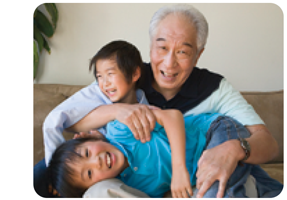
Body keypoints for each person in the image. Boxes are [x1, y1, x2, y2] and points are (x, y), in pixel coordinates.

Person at [34, 4, 282, 198]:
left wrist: (234, 149)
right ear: (150, 46)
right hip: (152, 175)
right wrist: (118, 111)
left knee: (216, 188)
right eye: (162, 48)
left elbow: (269, 144)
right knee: (70, 183)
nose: (169, 63)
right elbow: (68, 120)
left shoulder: (215, 88)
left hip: (211, 141)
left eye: (183, 51)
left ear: (198, 54)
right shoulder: (124, 78)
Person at [47, 40, 257, 197]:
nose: (97, 162)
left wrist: (179, 171)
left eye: (86, 153)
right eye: (90, 174)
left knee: (217, 190)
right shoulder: (131, 184)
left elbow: (173, 117)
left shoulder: (123, 127)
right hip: (200, 165)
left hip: (213, 132)